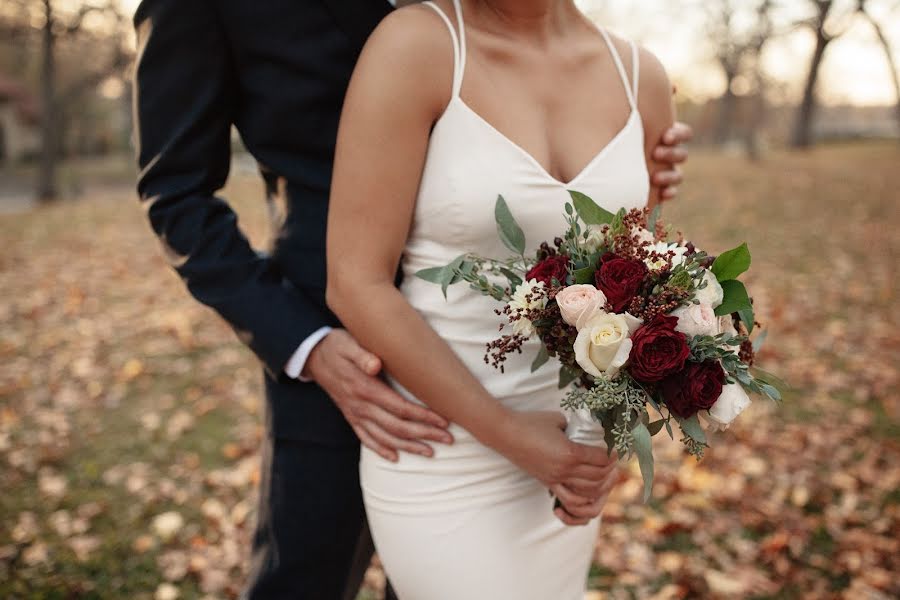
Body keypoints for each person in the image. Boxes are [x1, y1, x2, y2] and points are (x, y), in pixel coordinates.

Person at [131, 0, 692, 597]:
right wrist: (305, 343)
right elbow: (176, 195)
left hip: (537, 386)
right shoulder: (403, 42)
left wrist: (623, 151)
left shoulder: (613, 61)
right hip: (341, 352)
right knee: (304, 581)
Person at [325, 0, 676, 597]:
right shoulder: (417, 47)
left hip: (573, 455)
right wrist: (510, 434)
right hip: (442, 448)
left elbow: (635, 280)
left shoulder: (642, 76)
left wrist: (608, 436)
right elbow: (355, 282)